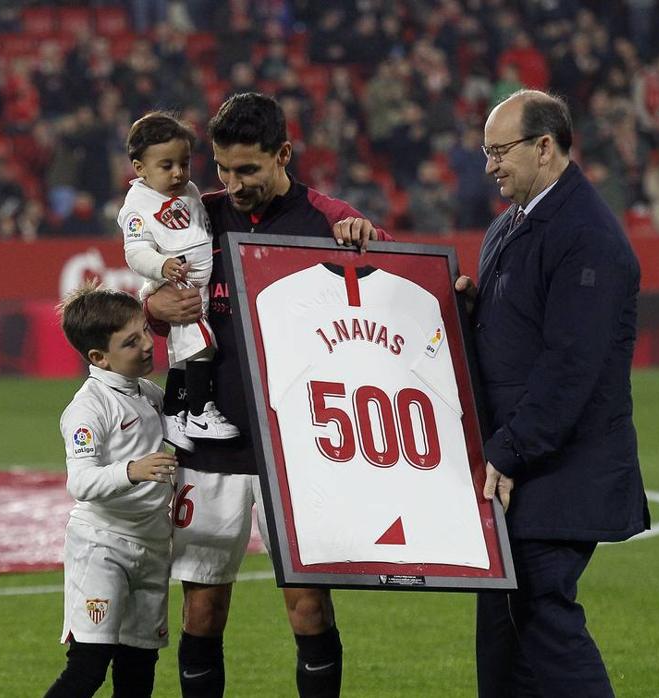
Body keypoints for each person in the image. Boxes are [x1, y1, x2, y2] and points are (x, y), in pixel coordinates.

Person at [145, 92, 385, 698]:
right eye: (222, 168)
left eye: (247, 169)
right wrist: (152, 306)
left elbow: (384, 298)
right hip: (206, 446)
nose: (233, 182)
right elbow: (145, 309)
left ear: (284, 154)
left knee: (307, 608)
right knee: (202, 611)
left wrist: (367, 242)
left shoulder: (327, 222)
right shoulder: (198, 218)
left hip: (296, 452)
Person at [454, 90, 649, 697]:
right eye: (485, 152)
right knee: (506, 623)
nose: (490, 165)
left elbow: (572, 366)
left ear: (545, 147)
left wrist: (509, 451)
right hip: (526, 465)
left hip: (558, 469)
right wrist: (468, 311)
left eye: (499, 151)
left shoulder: (587, 235)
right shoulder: (513, 224)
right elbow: (516, 335)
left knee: (542, 614)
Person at [44, 283, 180, 698]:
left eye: (144, 333)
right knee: (88, 668)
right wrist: (132, 470)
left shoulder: (148, 394)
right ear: (99, 358)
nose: (145, 346)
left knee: (138, 671)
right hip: (102, 545)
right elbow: (80, 482)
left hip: (153, 545)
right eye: (130, 342)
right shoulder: (88, 409)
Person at [119, 112, 240, 447]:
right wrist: (162, 265)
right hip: (178, 285)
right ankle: (200, 413)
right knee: (202, 349)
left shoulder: (188, 190)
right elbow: (135, 252)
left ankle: (173, 415)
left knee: (186, 356)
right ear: (140, 168)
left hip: (195, 285)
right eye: (166, 165)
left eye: (184, 163)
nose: (177, 172)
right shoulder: (138, 207)